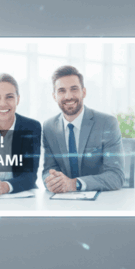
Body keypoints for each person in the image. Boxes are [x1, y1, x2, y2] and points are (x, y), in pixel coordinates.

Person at [42, 65, 125, 193]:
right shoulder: (49, 127)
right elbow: (48, 169)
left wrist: (74, 184)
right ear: (54, 96)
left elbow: (116, 176)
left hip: (101, 202)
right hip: (63, 202)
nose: (68, 96)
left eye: (74, 89)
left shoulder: (107, 123)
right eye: (61, 91)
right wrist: (51, 180)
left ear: (83, 92)